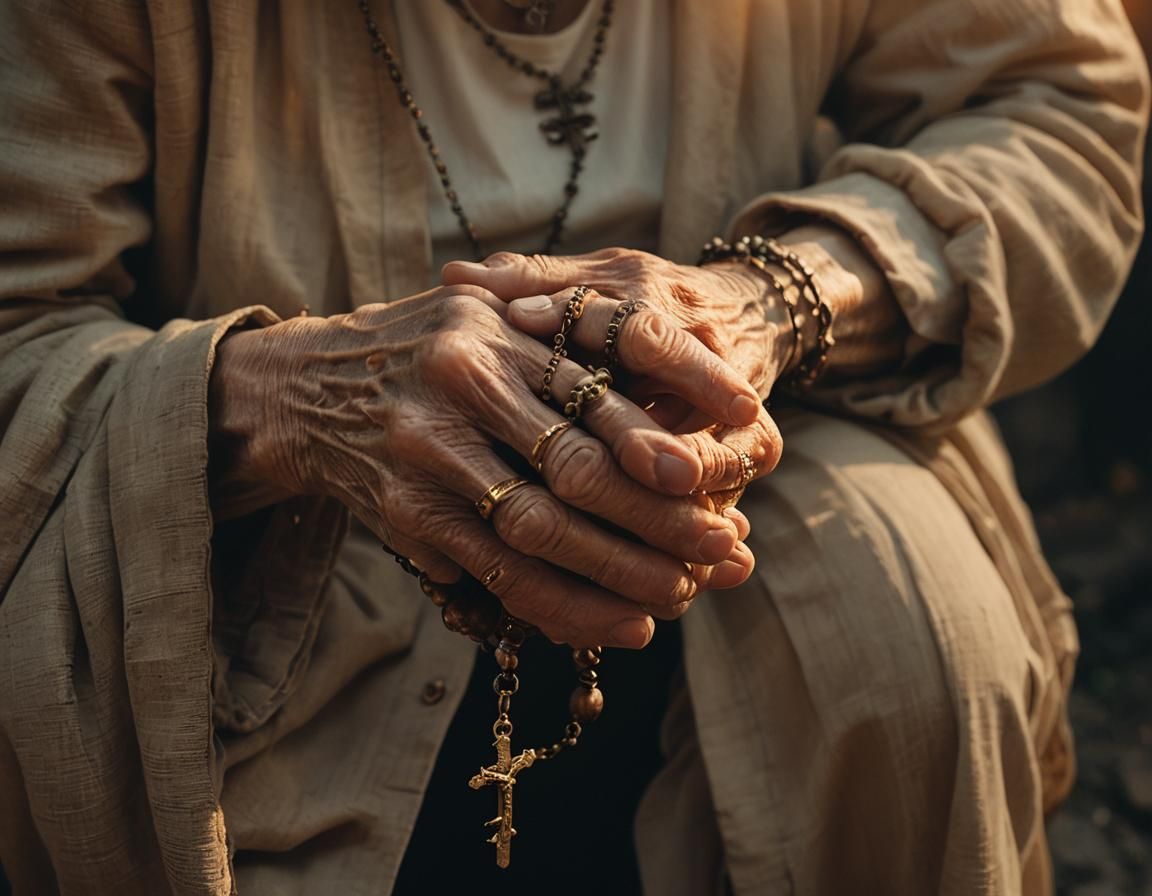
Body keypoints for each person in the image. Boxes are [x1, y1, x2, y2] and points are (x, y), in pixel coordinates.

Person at [0, 1, 1146, 893]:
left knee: (913, 642)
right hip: (273, 530)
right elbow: (24, 320)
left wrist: (779, 297)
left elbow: (1055, 112)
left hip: (757, 438)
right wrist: (296, 397)